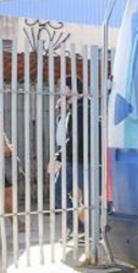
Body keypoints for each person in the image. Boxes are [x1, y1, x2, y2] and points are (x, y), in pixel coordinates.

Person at [49, 76, 90, 233]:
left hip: (81, 160)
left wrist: (58, 157)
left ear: (70, 89)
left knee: (89, 197)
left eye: (62, 87)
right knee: (58, 192)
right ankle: (78, 227)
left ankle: (91, 229)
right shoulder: (74, 109)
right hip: (71, 159)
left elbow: (75, 137)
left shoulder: (81, 108)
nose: (59, 91)